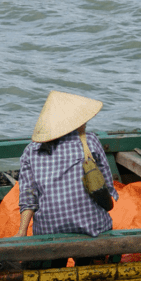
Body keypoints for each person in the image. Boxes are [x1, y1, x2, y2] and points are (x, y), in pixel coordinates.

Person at [13, 91, 119, 238]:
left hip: (48, 232)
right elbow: (106, 184)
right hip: (92, 227)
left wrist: (22, 231)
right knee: (100, 222)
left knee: (48, 237)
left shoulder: (31, 151)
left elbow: (28, 197)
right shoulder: (90, 141)